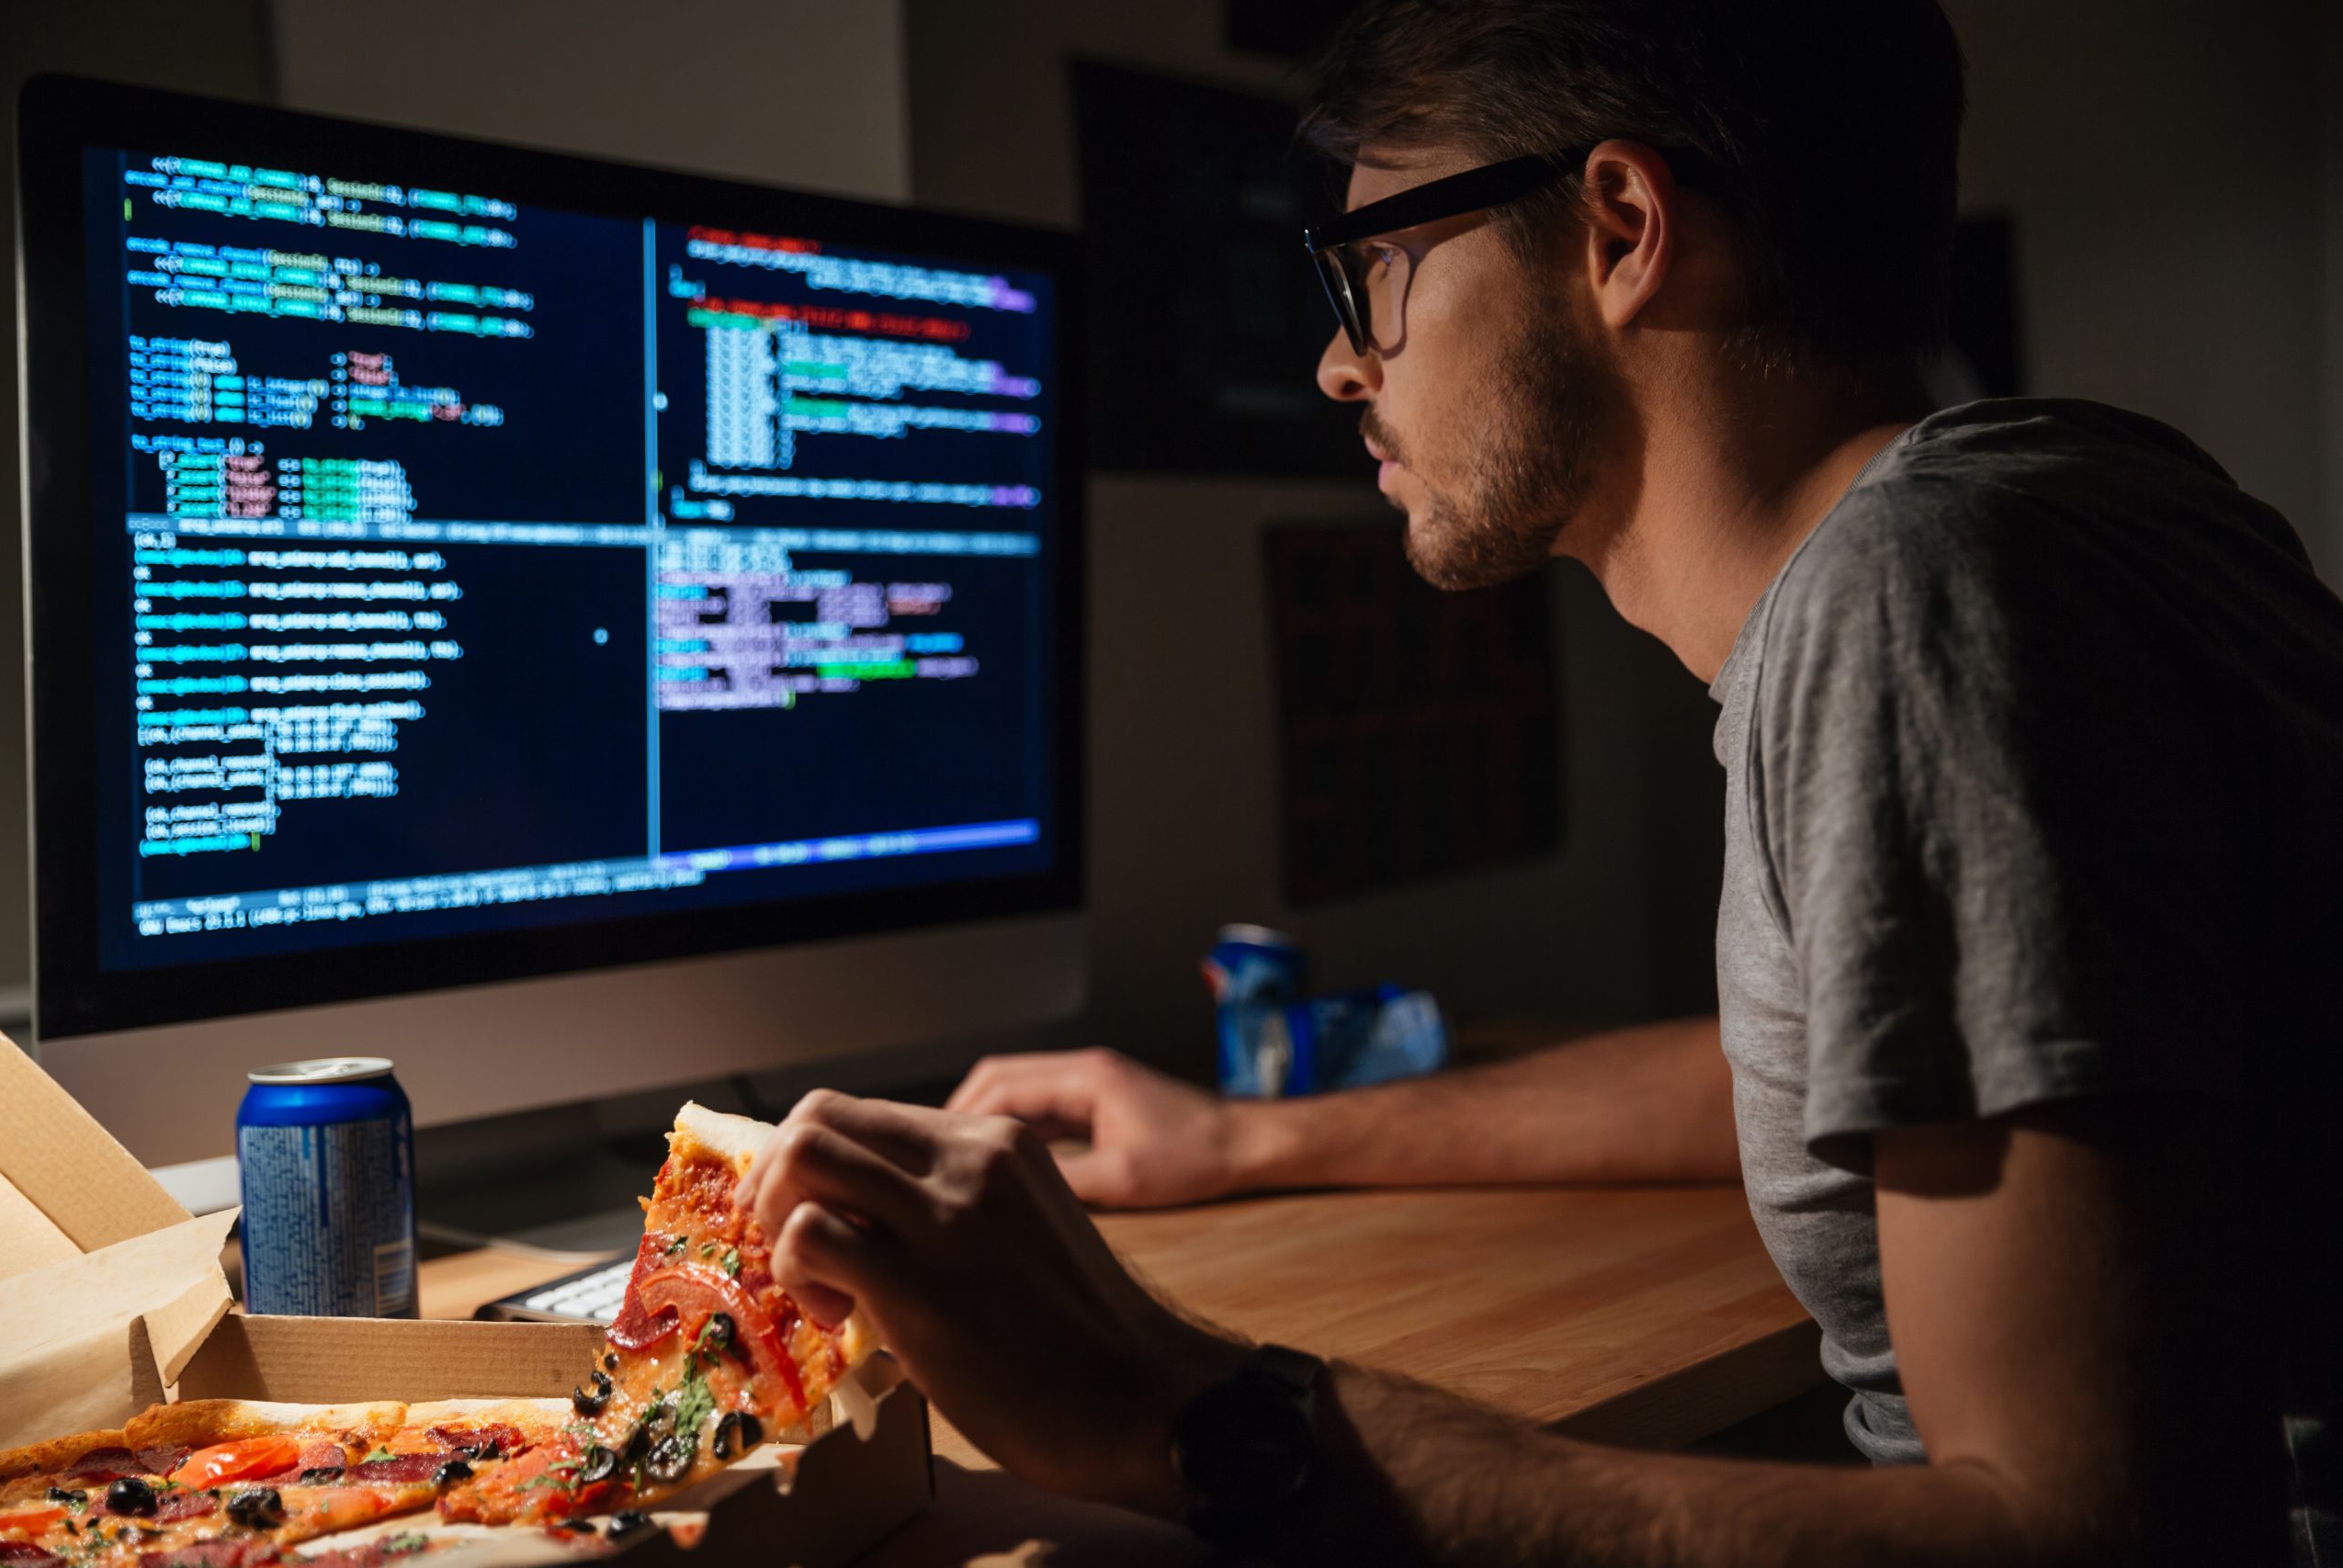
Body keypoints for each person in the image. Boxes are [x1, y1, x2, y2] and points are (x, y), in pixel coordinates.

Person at [735, 1, 2343, 1561]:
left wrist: (1172, 1405)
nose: (1338, 366)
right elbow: (1855, 1065)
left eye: (1377, 270)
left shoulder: (1912, 602)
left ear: (1621, 226)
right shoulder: (2086, 498)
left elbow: (2102, 1536)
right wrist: (1246, 1143)